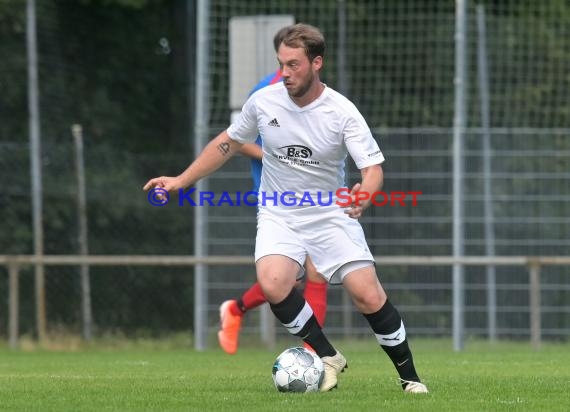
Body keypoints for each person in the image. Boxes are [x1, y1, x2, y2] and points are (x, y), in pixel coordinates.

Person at [144, 23, 428, 394]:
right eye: (282, 64)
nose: (286, 73)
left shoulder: (342, 111)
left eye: (294, 65)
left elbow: (372, 170)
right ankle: (328, 356)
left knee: (367, 294)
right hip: (279, 211)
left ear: (316, 63)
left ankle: (410, 379)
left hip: (330, 213)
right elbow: (227, 143)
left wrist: (364, 194)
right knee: (273, 281)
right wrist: (181, 181)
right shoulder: (264, 101)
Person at [218, 28, 328, 356]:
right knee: (301, 273)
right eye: (287, 61)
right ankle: (316, 354)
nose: (290, 69)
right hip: (276, 193)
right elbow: (236, 141)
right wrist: (274, 155)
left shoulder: (317, 93)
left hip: (313, 193)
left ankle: (312, 354)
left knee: (305, 273)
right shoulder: (265, 91)